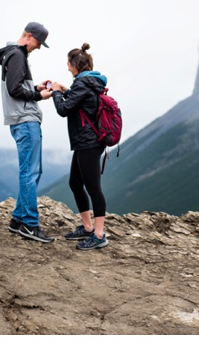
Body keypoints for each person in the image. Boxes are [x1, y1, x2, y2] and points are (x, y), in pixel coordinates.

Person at [0, 22, 54, 243]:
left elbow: (17, 87)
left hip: (18, 120)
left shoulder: (10, 55)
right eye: (38, 42)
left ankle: (18, 219)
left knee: (29, 171)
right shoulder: (18, 55)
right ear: (29, 36)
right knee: (30, 173)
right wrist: (40, 97)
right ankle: (30, 225)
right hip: (25, 120)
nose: (38, 47)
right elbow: (14, 90)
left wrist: (35, 88)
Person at [51, 43, 109, 250]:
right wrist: (66, 90)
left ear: (75, 65)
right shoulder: (86, 83)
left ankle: (99, 234)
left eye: (68, 64)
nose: (67, 68)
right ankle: (87, 227)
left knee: (93, 188)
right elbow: (79, 103)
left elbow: (64, 109)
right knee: (75, 183)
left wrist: (57, 92)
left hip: (89, 143)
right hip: (85, 142)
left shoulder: (83, 84)